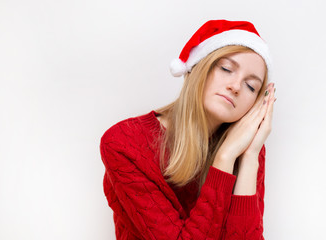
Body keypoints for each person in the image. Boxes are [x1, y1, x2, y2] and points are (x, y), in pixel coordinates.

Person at [100, 19, 276, 240]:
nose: (236, 87)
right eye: (226, 68)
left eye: (251, 86)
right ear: (198, 67)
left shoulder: (247, 146)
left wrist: (249, 156)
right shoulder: (124, 143)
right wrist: (224, 159)